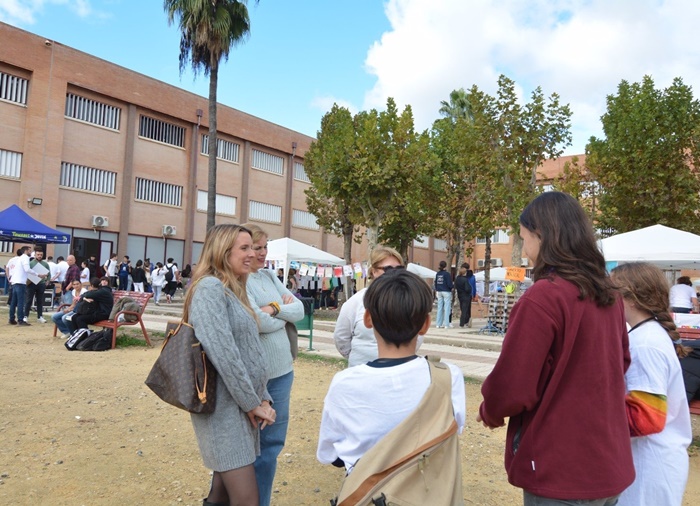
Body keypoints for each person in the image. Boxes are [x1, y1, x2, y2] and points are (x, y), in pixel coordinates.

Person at [477, 191, 634, 505]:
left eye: (524, 239)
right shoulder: (610, 295)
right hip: (608, 464)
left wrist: (490, 410)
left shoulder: (543, 298)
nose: (525, 251)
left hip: (560, 468)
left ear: (542, 235)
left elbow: (514, 385)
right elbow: (622, 361)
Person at [318, 269, 466, 473]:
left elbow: (329, 454)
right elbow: (454, 429)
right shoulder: (449, 377)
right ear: (425, 325)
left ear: (368, 319)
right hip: (430, 487)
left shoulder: (345, 383)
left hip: (367, 491)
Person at [183, 224, 275, 506]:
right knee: (246, 499)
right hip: (222, 408)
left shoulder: (232, 288)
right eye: (244, 248)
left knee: (220, 495)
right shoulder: (210, 289)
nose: (253, 254)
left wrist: (262, 397)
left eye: (253, 248)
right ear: (223, 252)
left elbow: (249, 352)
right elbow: (224, 354)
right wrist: (252, 402)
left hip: (236, 405)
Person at [610, 263, 692, 505]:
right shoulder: (647, 334)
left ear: (632, 298)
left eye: (612, 291)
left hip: (648, 467)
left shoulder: (645, 343)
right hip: (650, 461)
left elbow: (646, 419)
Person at [242, 223, 304, 506]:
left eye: (265, 246)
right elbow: (257, 321)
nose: (262, 253)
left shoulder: (268, 275)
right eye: (256, 247)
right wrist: (281, 312)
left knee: (271, 447)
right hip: (257, 376)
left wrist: (276, 308)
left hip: (283, 372)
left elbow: (300, 309)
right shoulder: (239, 279)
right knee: (244, 448)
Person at [335, 246, 423, 367]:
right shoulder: (356, 302)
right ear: (374, 271)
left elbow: (417, 336)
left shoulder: (410, 300)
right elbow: (341, 338)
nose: (394, 273)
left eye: (399, 268)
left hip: (399, 369)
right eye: (388, 269)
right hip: (361, 369)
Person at [8, 246, 39, 326]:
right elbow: (27, 269)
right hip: (20, 282)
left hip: (15, 281)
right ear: (26, 251)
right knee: (20, 302)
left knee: (13, 302)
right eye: (29, 250)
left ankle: (12, 319)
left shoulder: (19, 258)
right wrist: (37, 274)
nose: (30, 252)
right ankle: (20, 320)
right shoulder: (25, 258)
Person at [24, 247, 50, 323]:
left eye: (41, 255)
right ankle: (25, 316)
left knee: (40, 301)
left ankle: (40, 316)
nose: (39, 256)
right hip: (31, 283)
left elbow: (49, 273)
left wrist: (48, 280)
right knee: (28, 300)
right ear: (35, 255)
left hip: (41, 284)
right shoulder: (31, 263)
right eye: (38, 254)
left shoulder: (45, 264)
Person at [434, 260, 454, 328]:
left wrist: (437, 288)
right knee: (447, 308)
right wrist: (452, 287)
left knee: (440, 307)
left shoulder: (438, 274)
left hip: (439, 291)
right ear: (445, 266)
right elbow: (449, 284)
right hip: (446, 291)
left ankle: (438, 324)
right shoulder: (447, 274)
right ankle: (446, 324)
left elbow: (435, 282)